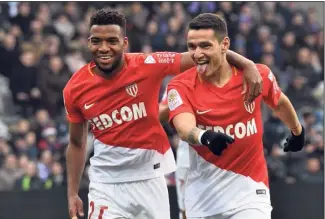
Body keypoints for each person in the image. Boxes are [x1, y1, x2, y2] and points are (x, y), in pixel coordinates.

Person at [63, 9, 263, 219]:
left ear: (124, 43)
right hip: (106, 184)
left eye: (112, 41)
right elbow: (77, 144)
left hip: (151, 178)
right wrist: (72, 194)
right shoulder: (74, 89)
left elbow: (201, 55)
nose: (104, 48)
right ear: (88, 42)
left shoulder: (148, 65)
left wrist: (246, 64)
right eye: (97, 41)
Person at [167, 13, 305, 219]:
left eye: (205, 46)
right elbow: (184, 128)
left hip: (250, 192)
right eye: (191, 47)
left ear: (225, 45)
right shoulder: (180, 86)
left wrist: (297, 131)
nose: (197, 54)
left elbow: (280, 102)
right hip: (203, 198)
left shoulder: (257, 76)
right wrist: (204, 137)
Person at [159, 91, 189, 219]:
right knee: (186, 211)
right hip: (189, 158)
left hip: (226, 161)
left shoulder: (240, 75)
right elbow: (160, 112)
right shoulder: (180, 83)